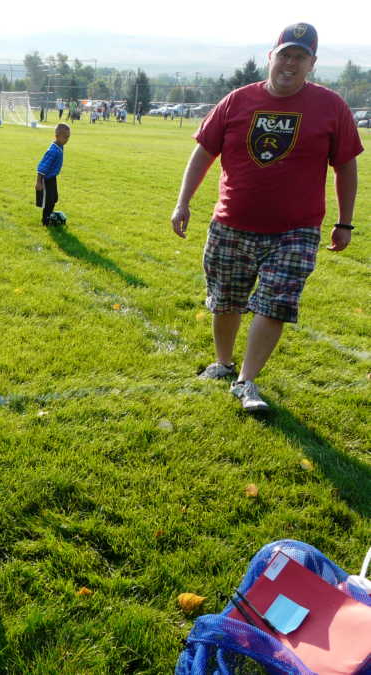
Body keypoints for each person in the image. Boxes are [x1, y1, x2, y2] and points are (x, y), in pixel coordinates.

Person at [170, 23, 362, 412]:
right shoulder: (237, 100)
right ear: (270, 57)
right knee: (225, 301)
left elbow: (346, 166)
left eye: (300, 57)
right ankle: (223, 364)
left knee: (276, 301)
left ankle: (246, 380)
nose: (290, 63)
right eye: (285, 55)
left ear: (312, 63)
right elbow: (203, 153)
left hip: (297, 229)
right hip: (231, 222)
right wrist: (183, 202)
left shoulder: (332, 107)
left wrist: (345, 221)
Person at [35, 123, 70, 225]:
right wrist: (38, 182)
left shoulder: (60, 146)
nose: (67, 139)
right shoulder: (53, 150)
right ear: (57, 136)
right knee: (48, 200)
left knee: (54, 198)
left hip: (52, 177)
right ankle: (46, 220)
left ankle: (50, 214)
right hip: (46, 179)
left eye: (68, 137)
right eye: (65, 137)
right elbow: (42, 166)